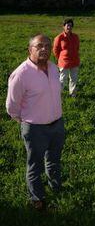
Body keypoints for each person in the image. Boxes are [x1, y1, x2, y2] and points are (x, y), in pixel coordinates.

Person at [6, 34, 65, 211]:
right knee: (35, 164)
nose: (44, 49)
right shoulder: (21, 74)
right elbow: (11, 106)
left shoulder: (54, 69)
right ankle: (37, 197)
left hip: (57, 124)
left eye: (47, 46)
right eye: (39, 46)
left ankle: (56, 186)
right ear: (29, 49)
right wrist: (27, 122)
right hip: (35, 128)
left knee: (54, 160)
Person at [53, 18, 80, 97]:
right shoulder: (59, 37)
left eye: (71, 26)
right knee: (62, 79)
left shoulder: (75, 36)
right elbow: (55, 50)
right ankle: (58, 94)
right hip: (64, 62)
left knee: (73, 79)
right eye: (67, 25)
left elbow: (77, 47)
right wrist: (60, 58)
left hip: (74, 61)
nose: (69, 27)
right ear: (63, 27)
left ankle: (73, 94)